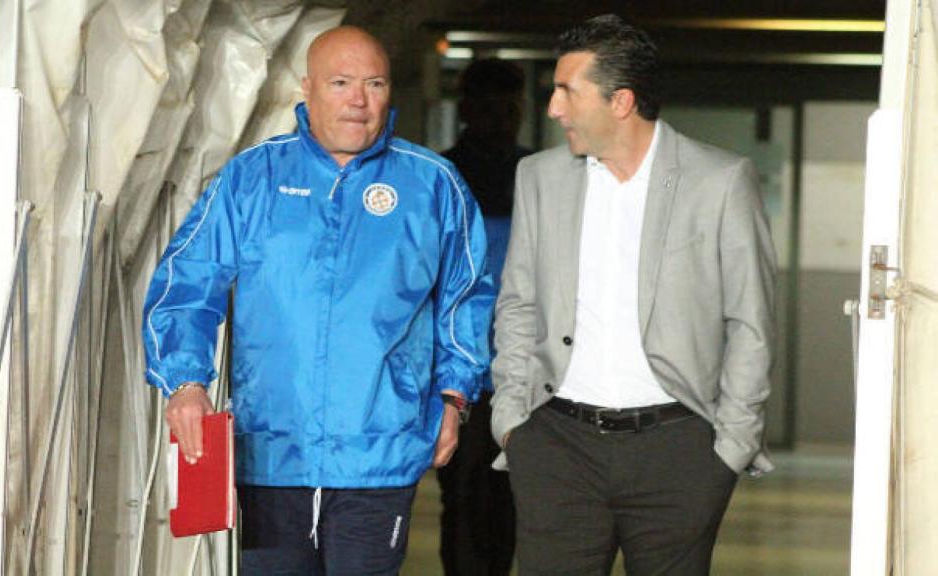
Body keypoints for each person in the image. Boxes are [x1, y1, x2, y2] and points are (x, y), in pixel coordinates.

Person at [142, 26, 494, 575]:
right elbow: (186, 281)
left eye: (374, 83)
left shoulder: (433, 185)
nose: (358, 99)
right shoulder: (252, 177)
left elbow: (465, 298)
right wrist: (185, 382)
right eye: (341, 82)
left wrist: (454, 397)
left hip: (379, 453)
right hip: (268, 454)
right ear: (306, 89)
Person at [490, 14, 776, 575]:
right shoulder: (539, 177)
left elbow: (751, 322)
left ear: (620, 101)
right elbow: (518, 303)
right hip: (554, 446)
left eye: (567, 92)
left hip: (680, 452)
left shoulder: (720, 181)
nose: (553, 108)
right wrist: (512, 422)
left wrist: (729, 447)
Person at [438, 58, 530, 576]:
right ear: (468, 109)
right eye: (490, 107)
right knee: (466, 497)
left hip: (529, 370)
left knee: (516, 497)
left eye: (510, 107)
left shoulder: (541, 175)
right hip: (464, 371)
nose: (501, 118)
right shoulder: (442, 175)